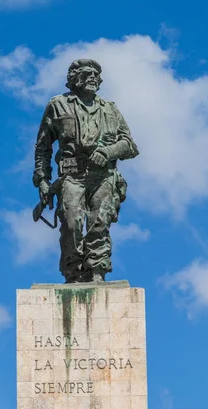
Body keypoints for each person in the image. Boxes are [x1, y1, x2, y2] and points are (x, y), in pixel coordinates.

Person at [33, 58, 139, 283]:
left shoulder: (110, 108)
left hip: (103, 176)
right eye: (86, 73)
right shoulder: (58, 105)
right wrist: (43, 179)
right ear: (73, 78)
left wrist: (108, 152)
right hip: (71, 175)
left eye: (95, 74)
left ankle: (97, 272)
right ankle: (73, 273)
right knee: (71, 222)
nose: (92, 77)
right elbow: (43, 146)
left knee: (99, 223)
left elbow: (129, 145)